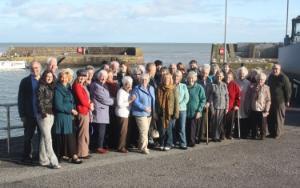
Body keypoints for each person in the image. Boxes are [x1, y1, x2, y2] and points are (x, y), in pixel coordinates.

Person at [53, 69, 82, 164]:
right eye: (61, 77)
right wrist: (70, 110)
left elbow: (72, 101)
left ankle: (64, 155)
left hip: (69, 116)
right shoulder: (57, 89)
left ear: (68, 78)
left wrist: (73, 109)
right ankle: (70, 155)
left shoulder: (68, 88)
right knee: (62, 136)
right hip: (62, 116)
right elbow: (58, 105)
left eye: (65, 77)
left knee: (68, 135)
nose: (63, 79)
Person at [18, 61, 41, 162]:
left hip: (42, 115)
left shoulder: (44, 80)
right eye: (32, 68)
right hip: (29, 114)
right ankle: (26, 156)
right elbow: (20, 99)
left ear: (40, 68)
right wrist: (22, 115)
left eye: (36, 68)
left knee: (42, 136)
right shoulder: (24, 81)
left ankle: (41, 155)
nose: (34, 70)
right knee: (28, 137)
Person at [36, 70, 60, 169]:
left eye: (50, 76)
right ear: (44, 77)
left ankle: (43, 160)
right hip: (44, 115)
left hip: (51, 114)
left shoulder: (53, 87)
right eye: (47, 76)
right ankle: (53, 161)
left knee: (43, 137)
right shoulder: (41, 86)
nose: (49, 78)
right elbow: (39, 101)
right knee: (48, 138)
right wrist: (43, 112)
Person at [90, 70, 114, 154]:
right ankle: (98, 147)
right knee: (100, 131)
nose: (103, 78)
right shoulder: (96, 86)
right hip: (100, 111)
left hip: (102, 111)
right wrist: (113, 100)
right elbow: (104, 99)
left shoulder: (103, 85)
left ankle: (98, 146)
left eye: (105, 77)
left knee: (100, 130)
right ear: (98, 76)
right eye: (102, 76)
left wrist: (110, 99)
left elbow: (107, 97)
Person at [131, 73, 155, 154]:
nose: (144, 81)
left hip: (149, 113)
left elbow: (153, 100)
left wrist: (153, 110)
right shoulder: (136, 89)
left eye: (146, 79)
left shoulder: (151, 88)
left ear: (148, 80)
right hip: (140, 113)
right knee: (144, 130)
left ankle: (140, 145)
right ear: (140, 80)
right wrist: (144, 108)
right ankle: (144, 148)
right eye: (142, 79)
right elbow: (134, 101)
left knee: (145, 130)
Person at [72, 69, 94, 159]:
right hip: (82, 111)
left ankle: (85, 151)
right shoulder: (77, 86)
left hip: (86, 110)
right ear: (77, 76)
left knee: (85, 132)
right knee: (82, 133)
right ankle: (81, 153)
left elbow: (88, 98)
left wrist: (90, 103)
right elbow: (82, 100)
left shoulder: (82, 85)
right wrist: (90, 106)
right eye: (80, 76)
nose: (82, 78)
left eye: (84, 77)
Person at [267, 64, 291, 139]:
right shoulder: (270, 76)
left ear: (280, 69)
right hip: (270, 101)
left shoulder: (284, 78)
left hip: (280, 101)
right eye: (273, 68)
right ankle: (271, 132)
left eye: (276, 69)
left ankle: (278, 133)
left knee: (278, 118)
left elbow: (288, 90)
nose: (275, 70)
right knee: (270, 118)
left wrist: (287, 100)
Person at [157, 73, 179, 151]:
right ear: (163, 79)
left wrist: (176, 113)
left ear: (170, 80)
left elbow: (176, 102)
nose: (166, 80)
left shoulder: (173, 88)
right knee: (162, 129)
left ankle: (168, 144)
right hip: (161, 112)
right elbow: (156, 101)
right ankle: (162, 143)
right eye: (165, 78)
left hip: (170, 113)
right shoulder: (159, 88)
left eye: (168, 79)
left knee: (169, 130)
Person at [249, 72, 271, 140]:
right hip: (254, 108)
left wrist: (267, 110)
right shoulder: (252, 87)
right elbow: (249, 97)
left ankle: (262, 135)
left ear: (264, 80)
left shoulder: (267, 88)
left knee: (262, 124)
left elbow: (268, 100)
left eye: (262, 79)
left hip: (262, 109)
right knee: (253, 123)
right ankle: (254, 134)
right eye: (258, 79)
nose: (260, 81)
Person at [186, 71, 206, 146]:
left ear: (195, 78)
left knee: (193, 128)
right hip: (186, 111)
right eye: (189, 78)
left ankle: (192, 141)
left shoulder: (199, 87)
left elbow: (203, 99)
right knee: (187, 127)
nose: (191, 80)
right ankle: (187, 141)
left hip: (195, 112)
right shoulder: (185, 87)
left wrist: (199, 111)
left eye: (192, 78)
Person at [115, 76, 134, 153]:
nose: (128, 86)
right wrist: (130, 101)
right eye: (127, 84)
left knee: (126, 131)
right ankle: (121, 147)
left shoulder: (127, 91)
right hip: (122, 114)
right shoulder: (120, 91)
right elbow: (119, 104)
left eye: (130, 84)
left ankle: (125, 145)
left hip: (127, 113)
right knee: (123, 131)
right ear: (123, 84)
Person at [209, 71, 229, 142]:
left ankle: (219, 135)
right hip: (216, 107)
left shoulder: (224, 85)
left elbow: (227, 97)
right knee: (215, 122)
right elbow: (211, 99)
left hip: (223, 107)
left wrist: (227, 107)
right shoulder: (213, 85)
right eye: (218, 76)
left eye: (220, 76)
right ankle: (215, 137)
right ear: (215, 76)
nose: (219, 77)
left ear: (223, 77)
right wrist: (212, 108)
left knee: (220, 123)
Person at [174, 71, 189, 149]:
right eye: (175, 76)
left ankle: (183, 143)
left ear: (181, 77)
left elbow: (186, 98)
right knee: (173, 127)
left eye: (178, 76)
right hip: (173, 110)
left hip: (182, 110)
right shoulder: (171, 86)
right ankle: (174, 141)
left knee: (181, 127)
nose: (176, 77)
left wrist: (178, 105)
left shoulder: (184, 86)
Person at [198, 64, 213, 142]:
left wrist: (208, 102)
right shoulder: (197, 80)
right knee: (199, 120)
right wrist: (202, 103)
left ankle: (202, 135)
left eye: (206, 73)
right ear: (201, 72)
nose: (205, 74)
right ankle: (198, 136)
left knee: (204, 120)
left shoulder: (209, 80)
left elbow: (210, 93)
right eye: (203, 72)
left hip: (206, 104)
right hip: (199, 103)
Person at [236, 66, 251, 139]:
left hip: (245, 101)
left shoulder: (248, 83)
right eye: (240, 73)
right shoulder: (235, 82)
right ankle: (237, 132)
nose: (241, 75)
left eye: (243, 74)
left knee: (245, 117)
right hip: (238, 101)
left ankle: (244, 133)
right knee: (237, 116)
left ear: (245, 74)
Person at [225, 71, 240, 139]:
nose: (228, 78)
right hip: (223, 106)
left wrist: (237, 105)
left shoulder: (234, 85)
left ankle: (229, 134)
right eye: (227, 77)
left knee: (230, 122)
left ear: (232, 78)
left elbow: (238, 96)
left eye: (229, 77)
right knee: (223, 121)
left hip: (231, 107)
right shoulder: (223, 84)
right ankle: (222, 134)